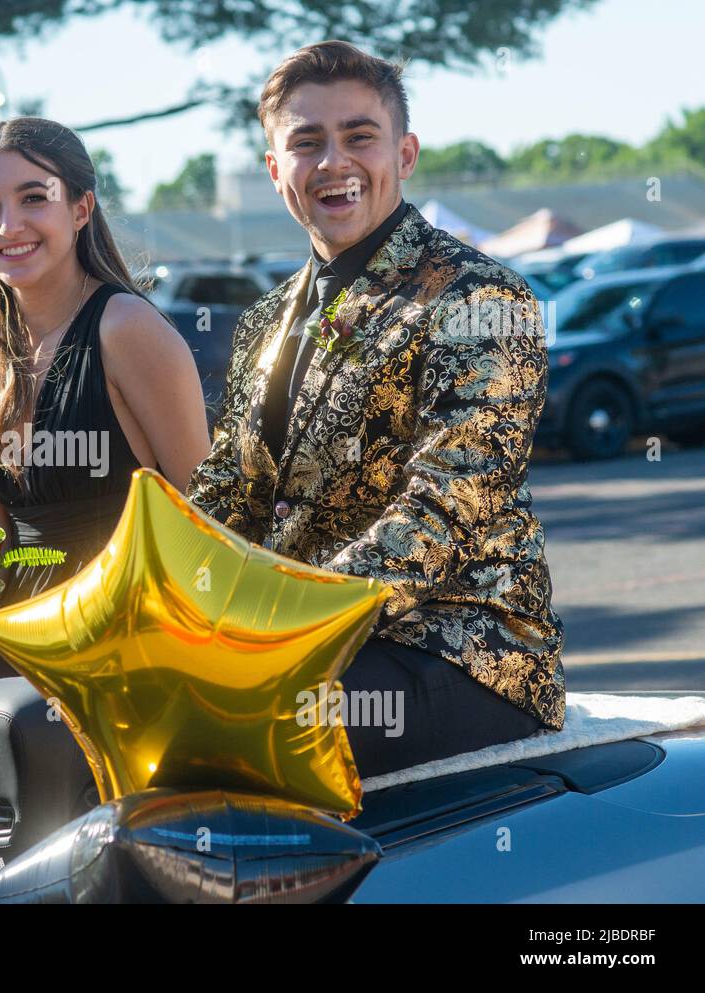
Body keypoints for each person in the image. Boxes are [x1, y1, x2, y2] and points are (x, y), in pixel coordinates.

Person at [187, 41, 565, 779]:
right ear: (275, 171)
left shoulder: (479, 298)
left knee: (234, 730)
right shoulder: (265, 321)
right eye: (306, 142)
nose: (334, 161)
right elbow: (224, 498)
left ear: (406, 152)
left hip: (468, 653)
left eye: (359, 136)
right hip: (310, 648)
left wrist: (288, 620)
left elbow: (446, 505)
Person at [0, 117, 212, 678]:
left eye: (34, 198)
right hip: (18, 638)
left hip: (128, 646)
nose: (9, 225)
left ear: (80, 209)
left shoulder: (127, 329)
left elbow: (206, 521)